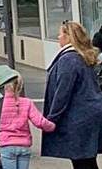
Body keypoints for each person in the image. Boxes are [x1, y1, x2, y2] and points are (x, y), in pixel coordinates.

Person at [41, 21, 102, 168]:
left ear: (69, 37)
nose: (58, 36)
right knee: (87, 161)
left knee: (82, 162)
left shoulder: (69, 59)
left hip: (78, 119)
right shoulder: (82, 57)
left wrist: (51, 119)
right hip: (89, 116)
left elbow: (62, 93)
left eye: (61, 33)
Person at [0, 73, 56, 169]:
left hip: (7, 145)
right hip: (24, 145)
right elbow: (39, 121)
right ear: (20, 87)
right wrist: (52, 126)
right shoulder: (27, 102)